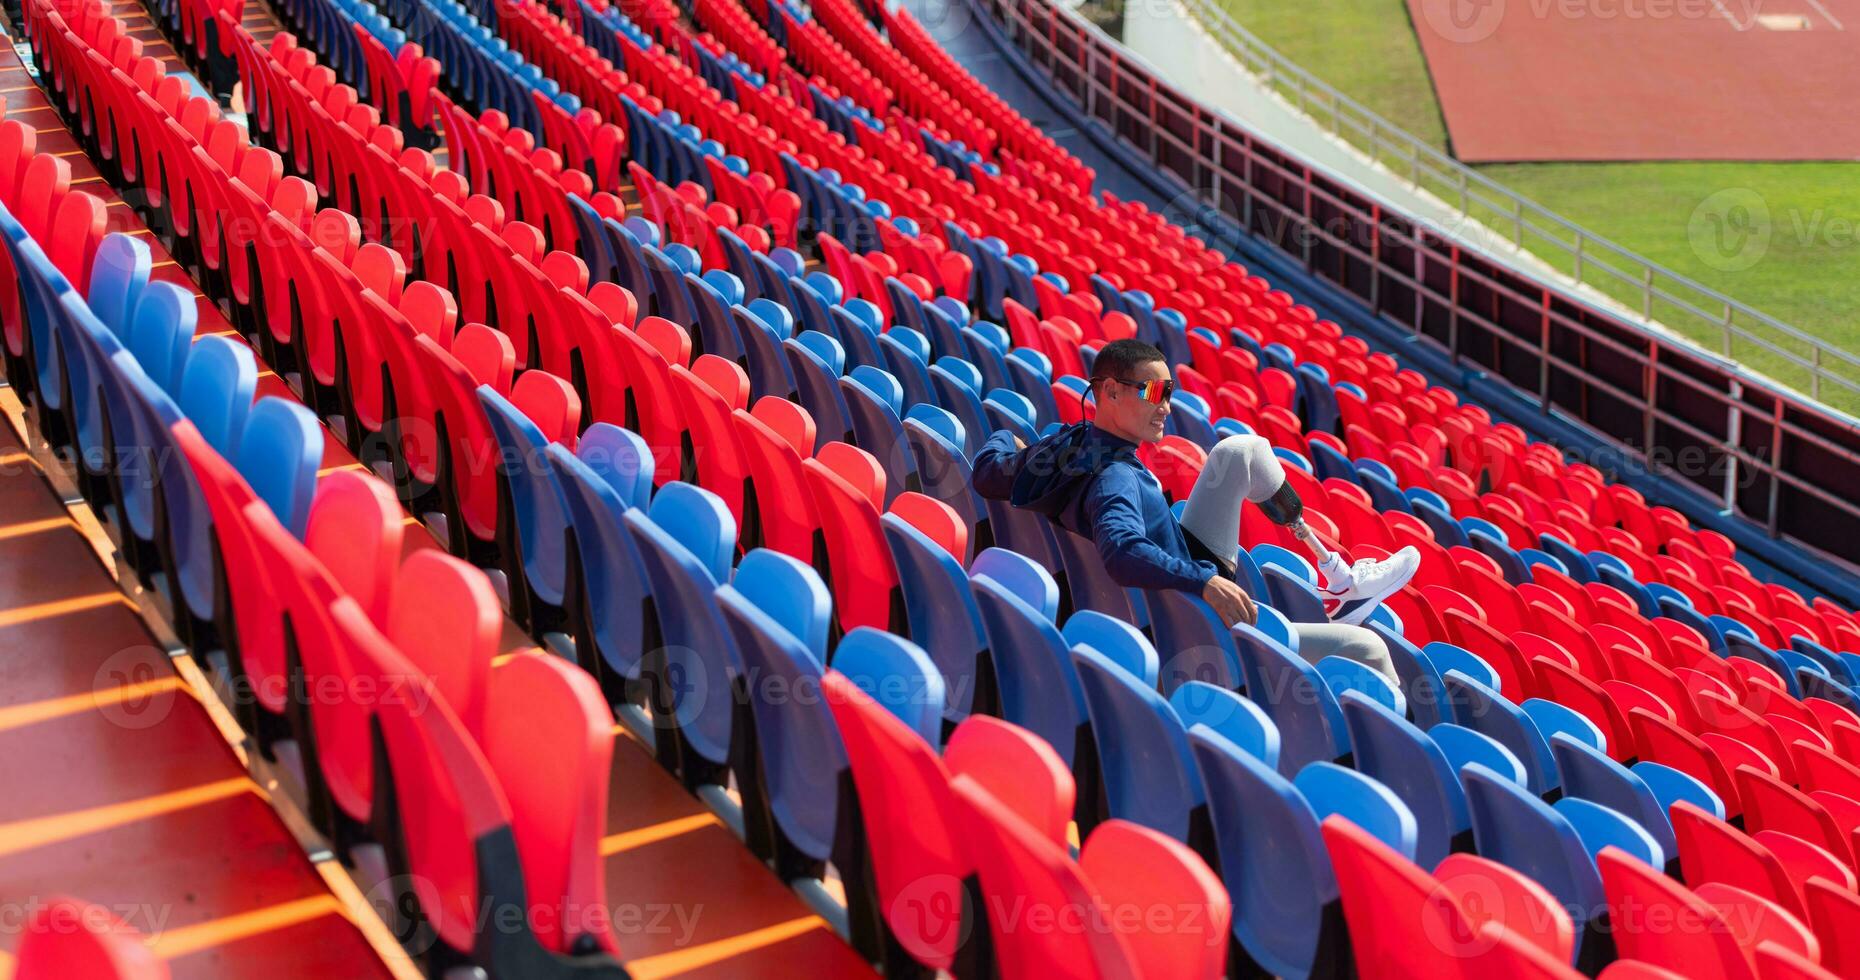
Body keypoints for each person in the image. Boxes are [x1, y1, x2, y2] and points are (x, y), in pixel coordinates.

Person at [972, 338, 1419, 679]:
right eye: (1153, 391)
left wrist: (1012, 441)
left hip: (1169, 587)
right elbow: (1121, 550)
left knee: (1240, 451)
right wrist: (1205, 581)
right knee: (1370, 649)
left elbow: (987, 470)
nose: (1166, 405)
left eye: (1169, 391)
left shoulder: (1062, 449)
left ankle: (1337, 574)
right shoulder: (1115, 478)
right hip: (1200, 621)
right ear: (1108, 391)